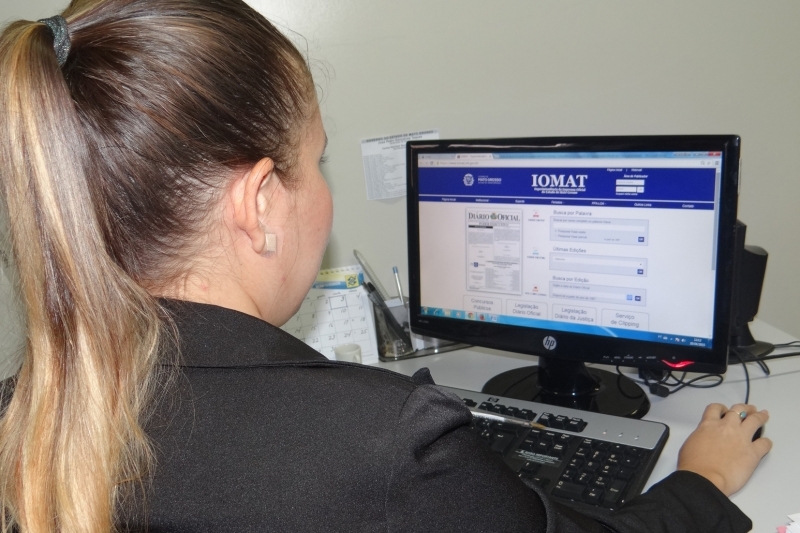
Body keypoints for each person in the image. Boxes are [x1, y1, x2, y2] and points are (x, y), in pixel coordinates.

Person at [0, 0, 771, 531]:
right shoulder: (387, 440)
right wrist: (702, 481)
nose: (324, 193)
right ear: (260, 203)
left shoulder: (22, 413)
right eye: (316, 161)